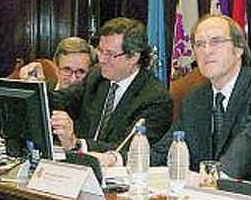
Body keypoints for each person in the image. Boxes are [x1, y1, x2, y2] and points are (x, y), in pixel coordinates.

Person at [149, 14, 251, 189]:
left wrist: (210, 179)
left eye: (216, 41)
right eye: (200, 44)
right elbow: (168, 146)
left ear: (238, 49)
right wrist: (121, 161)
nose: (207, 51)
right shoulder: (195, 99)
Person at [20, 17, 172, 153]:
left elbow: (127, 149)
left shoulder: (155, 99)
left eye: (110, 54)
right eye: (100, 51)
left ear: (133, 57)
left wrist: (77, 144)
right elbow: (61, 100)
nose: (102, 59)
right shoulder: (97, 76)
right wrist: (35, 87)